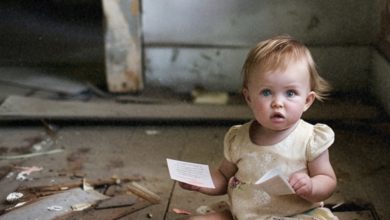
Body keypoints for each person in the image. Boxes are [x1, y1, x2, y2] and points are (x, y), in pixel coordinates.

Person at [179, 35, 338, 220]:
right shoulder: (238, 138)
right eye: (266, 92)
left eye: (290, 93)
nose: (278, 103)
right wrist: (200, 182)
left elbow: (327, 180)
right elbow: (222, 177)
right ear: (249, 98)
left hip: (295, 215)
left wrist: (311, 186)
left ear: (307, 101)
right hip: (244, 215)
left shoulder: (310, 139)